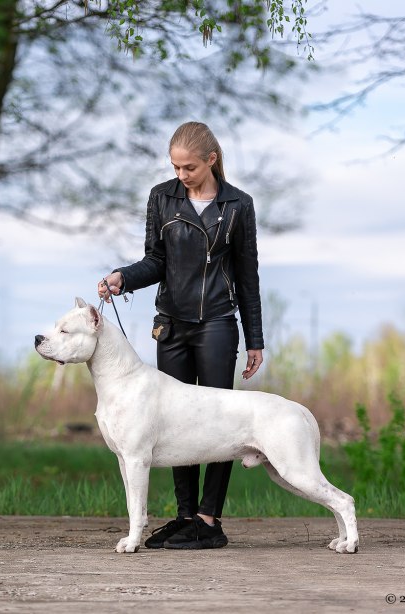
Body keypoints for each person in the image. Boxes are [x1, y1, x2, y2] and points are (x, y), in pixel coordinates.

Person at [97, 121, 264, 550]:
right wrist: (123, 278)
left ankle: (209, 519)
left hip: (218, 326)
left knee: (223, 421)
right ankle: (185, 516)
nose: (181, 175)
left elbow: (247, 278)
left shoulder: (238, 206)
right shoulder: (162, 197)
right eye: (175, 167)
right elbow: (155, 260)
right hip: (170, 325)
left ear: (211, 160)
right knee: (172, 420)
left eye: (188, 167)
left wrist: (255, 339)